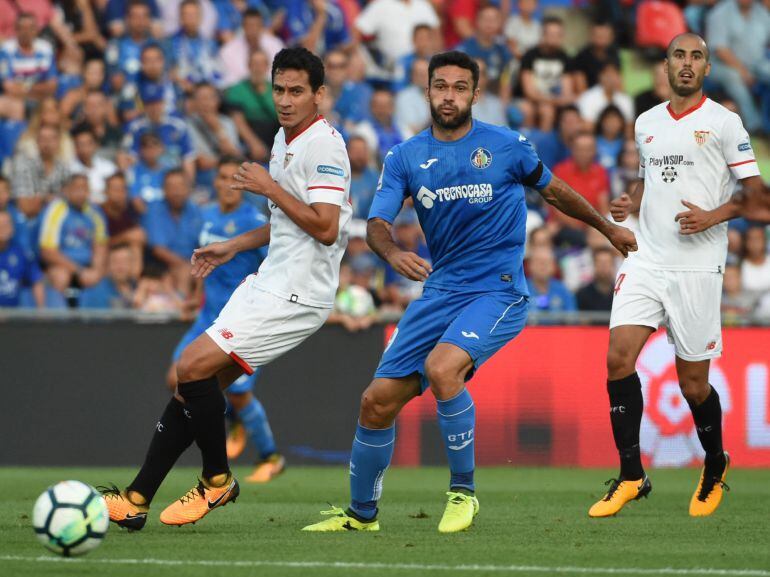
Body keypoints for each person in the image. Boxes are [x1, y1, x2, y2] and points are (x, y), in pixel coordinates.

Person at [303, 51, 636, 534]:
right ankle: (361, 516)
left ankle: (463, 493)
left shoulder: (507, 145)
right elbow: (376, 225)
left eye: (460, 87)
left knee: (443, 369)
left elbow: (556, 191)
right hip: (440, 292)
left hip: (498, 291)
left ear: (475, 94)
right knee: (375, 402)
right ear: (428, 90)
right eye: (441, 86)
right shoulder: (405, 156)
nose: (450, 95)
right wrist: (393, 254)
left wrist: (607, 228)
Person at [101, 47, 352, 531]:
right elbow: (285, 223)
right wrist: (233, 245)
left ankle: (217, 479)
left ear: (319, 94)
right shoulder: (285, 139)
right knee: (194, 390)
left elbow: (324, 226)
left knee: (189, 368)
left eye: (297, 90)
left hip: (297, 292)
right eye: (279, 89)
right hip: (272, 281)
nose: (285, 99)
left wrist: (268, 187)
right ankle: (136, 500)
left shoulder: (325, 147)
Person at [589, 33, 765, 519]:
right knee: (618, 358)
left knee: (693, 385)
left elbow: (760, 199)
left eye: (696, 57)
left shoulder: (725, 123)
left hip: (696, 265)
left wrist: (715, 214)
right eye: (678, 56)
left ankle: (714, 462)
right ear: (664, 66)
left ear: (708, 68)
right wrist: (633, 202)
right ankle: (630, 474)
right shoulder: (645, 123)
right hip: (646, 257)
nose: (686, 64)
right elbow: (649, 178)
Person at [164, 157, 284, 484]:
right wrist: (194, 295)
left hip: (238, 320)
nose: (228, 182)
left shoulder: (255, 222)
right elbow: (204, 260)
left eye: (236, 177)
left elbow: (275, 266)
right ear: (214, 183)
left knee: (239, 394)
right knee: (177, 380)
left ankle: (271, 456)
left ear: (243, 185)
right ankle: (230, 421)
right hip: (206, 315)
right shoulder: (207, 217)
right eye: (222, 176)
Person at [38, 174, 108, 298]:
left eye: (84, 188)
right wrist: (79, 271)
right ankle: (54, 315)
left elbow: (101, 246)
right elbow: (48, 252)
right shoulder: (56, 210)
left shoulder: (95, 212)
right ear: (67, 190)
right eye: (76, 188)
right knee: (61, 276)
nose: (81, 193)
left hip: (88, 265)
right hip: (63, 265)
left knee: (113, 271)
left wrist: (96, 271)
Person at [0, 211, 44, 308]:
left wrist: (41, 310)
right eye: (0, 225)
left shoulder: (21, 253)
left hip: (14, 315)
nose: (3, 228)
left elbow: (36, 280)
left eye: (7, 224)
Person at [576, 246, 617, 311]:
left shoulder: (620, 294)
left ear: (613, 265)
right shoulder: (582, 294)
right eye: (600, 262)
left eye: (607, 263)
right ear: (594, 265)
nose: (603, 267)